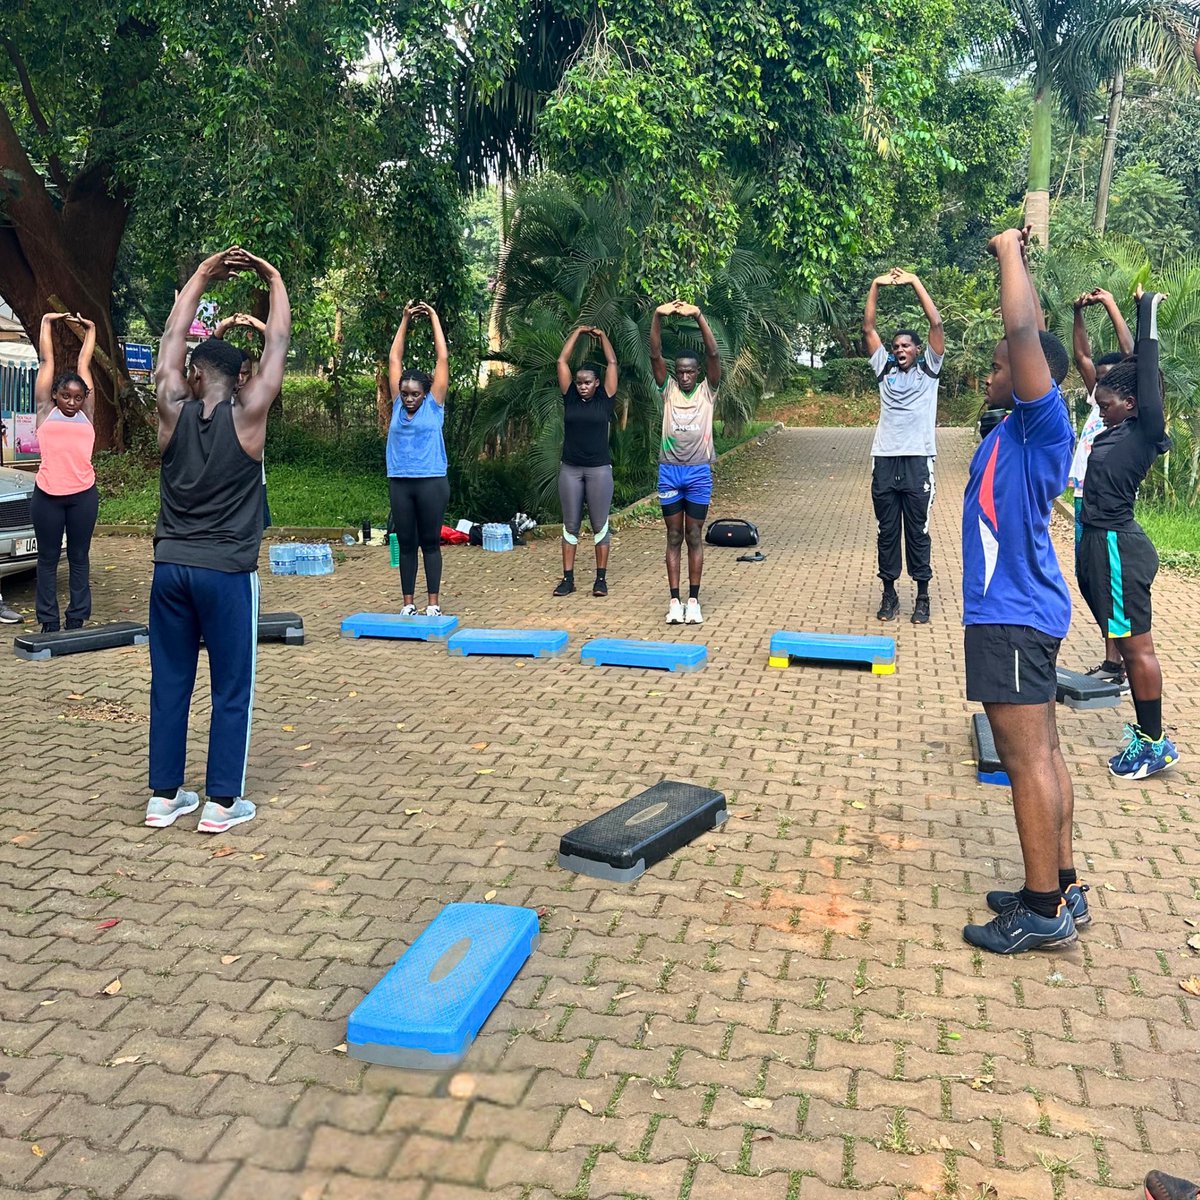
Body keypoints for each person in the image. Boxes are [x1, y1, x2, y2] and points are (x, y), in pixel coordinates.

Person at [961, 226, 1081, 955]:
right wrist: (1024, 264)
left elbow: (1022, 328)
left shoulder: (1042, 424)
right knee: (1045, 752)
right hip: (1017, 613)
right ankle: (1060, 882)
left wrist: (1010, 251)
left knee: (1026, 759)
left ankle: (1041, 909)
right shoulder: (1016, 429)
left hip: (1012, 615)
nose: (991, 372)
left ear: (1030, 373)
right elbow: (1021, 331)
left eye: (1000, 365)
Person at [145, 247, 291, 835]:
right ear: (238, 378)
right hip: (227, 574)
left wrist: (201, 278)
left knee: (171, 680)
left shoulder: (170, 410)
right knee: (232, 685)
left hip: (171, 569)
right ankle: (222, 804)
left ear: (198, 375)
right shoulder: (249, 415)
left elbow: (171, 341)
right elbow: (277, 346)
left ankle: (163, 797)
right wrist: (274, 278)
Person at [1076, 286, 1178, 780]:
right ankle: (1148, 737)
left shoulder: (1144, 428)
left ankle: (1154, 743)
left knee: (1137, 647)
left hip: (1118, 544)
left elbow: (1148, 374)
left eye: (1109, 403)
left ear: (1133, 404)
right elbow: (1135, 371)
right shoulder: (1119, 427)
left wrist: (1144, 310)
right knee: (1121, 636)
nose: (1102, 409)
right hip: (1100, 542)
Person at [862, 267, 945, 624]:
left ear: (917, 350)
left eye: (906, 345)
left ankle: (922, 595)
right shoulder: (884, 372)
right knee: (887, 531)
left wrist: (913, 282)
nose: (899, 350)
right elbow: (868, 328)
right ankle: (889, 594)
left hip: (918, 460)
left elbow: (937, 324)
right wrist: (875, 285)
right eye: (895, 346)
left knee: (917, 530)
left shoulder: (929, 372)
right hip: (885, 459)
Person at [1070, 288, 1134, 690]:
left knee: (1109, 584)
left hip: (1108, 508)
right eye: (1098, 382)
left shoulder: (1126, 418)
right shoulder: (1098, 404)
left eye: (1108, 383)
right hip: (1081, 499)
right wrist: (1078, 313)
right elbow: (1081, 357)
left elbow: (1133, 357)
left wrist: (1110, 305)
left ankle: (1118, 662)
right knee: (1087, 579)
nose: (1100, 387)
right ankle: (1113, 659)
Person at [649, 300, 722, 625]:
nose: (684, 376)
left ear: (698, 373)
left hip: (698, 473)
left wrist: (698, 315)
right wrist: (657, 316)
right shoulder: (668, 391)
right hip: (669, 472)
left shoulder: (708, 391)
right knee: (674, 536)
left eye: (689, 371)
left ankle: (694, 600)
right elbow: (654, 355)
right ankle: (674, 601)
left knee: (694, 535)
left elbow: (714, 355)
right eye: (680, 372)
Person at [31, 311, 99, 633]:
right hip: (47, 496)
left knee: (78, 556)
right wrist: (46, 323)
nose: (71, 401)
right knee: (46, 560)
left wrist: (91, 330)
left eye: (77, 396)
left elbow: (85, 366)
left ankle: (77, 616)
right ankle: (48, 620)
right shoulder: (46, 412)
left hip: (83, 495)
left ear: (84, 397)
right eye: (65, 396)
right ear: (54, 396)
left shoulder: (87, 413)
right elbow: (47, 363)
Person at [387, 301, 450, 617]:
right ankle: (408, 602)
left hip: (431, 482)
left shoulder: (434, 404)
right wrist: (405, 320)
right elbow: (394, 358)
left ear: (425, 393)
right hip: (400, 481)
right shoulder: (398, 405)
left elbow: (442, 358)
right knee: (406, 543)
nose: (409, 398)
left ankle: (433, 603)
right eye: (405, 393)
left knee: (430, 543)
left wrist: (434, 318)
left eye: (415, 394)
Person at [553, 325, 619, 597]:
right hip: (571, 468)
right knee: (570, 524)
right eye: (579, 382)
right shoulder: (569, 397)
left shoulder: (605, 399)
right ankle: (568, 579)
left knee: (599, 524)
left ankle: (600, 579)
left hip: (599, 470)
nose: (582, 386)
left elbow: (613, 362)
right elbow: (561, 361)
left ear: (597, 383)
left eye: (587, 382)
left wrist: (603, 336)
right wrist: (577, 333)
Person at [213, 312, 272, 530]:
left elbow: (276, 349)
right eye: (236, 373)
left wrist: (260, 326)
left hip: (253, 482)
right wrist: (223, 326)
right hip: (221, 484)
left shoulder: (256, 399)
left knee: (253, 536)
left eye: (245, 373)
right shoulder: (215, 399)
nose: (240, 379)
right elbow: (209, 355)